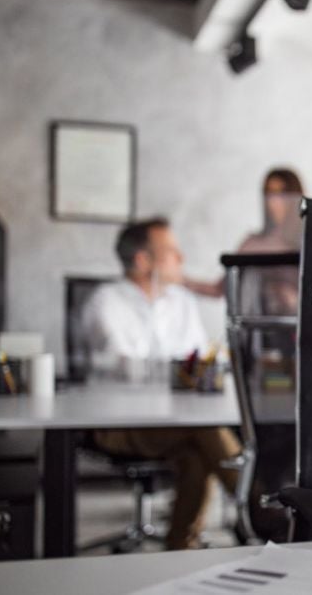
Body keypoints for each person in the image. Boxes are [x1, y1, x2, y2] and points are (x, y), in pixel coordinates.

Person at [82, 218, 242, 550]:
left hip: (176, 420)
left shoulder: (182, 301)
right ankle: (260, 509)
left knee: (196, 455)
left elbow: (196, 361)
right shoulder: (105, 301)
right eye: (171, 252)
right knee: (207, 429)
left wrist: (198, 368)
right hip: (122, 423)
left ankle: (180, 545)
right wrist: (183, 369)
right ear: (143, 260)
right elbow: (123, 365)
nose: (181, 259)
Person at [185, 167, 305, 307]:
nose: (272, 202)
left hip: (299, 325)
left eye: (281, 194)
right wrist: (179, 280)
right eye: (268, 194)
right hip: (256, 325)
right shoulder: (253, 244)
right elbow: (220, 289)